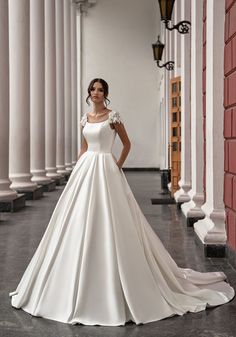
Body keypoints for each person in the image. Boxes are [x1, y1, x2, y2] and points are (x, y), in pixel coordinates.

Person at [9, 78, 235, 326]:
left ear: (106, 94)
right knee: (76, 219)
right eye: (93, 89)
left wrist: (117, 165)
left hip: (106, 167)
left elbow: (127, 144)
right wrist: (76, 169)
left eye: (101, 90)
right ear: (89, 93)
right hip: (85, 170)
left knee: (111, 218)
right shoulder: (85, 118)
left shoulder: (113, 117)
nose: (96, 93)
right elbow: (84, 148)